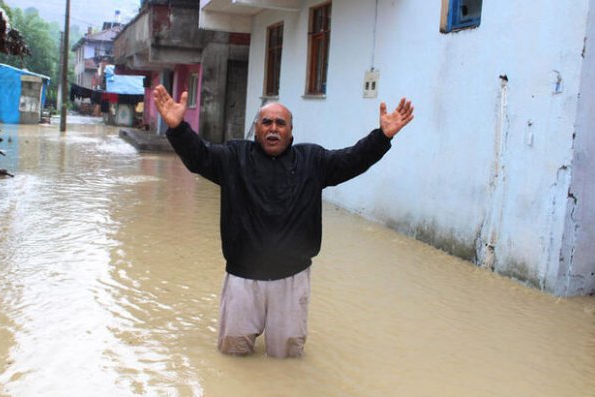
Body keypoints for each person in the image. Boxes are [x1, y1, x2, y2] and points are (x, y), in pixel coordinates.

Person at [152, 84, 414, 358]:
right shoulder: (233, 158)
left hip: (292, 277)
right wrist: (179, 128)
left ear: (291, 132)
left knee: (286, 358)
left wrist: (382, 137)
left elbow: (353, 159)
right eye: (266, 122)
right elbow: (199, 157)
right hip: (243, 277)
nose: (273, 128)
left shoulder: (312, 161)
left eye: (280, 123)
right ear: (256, 129)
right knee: (234, 353)